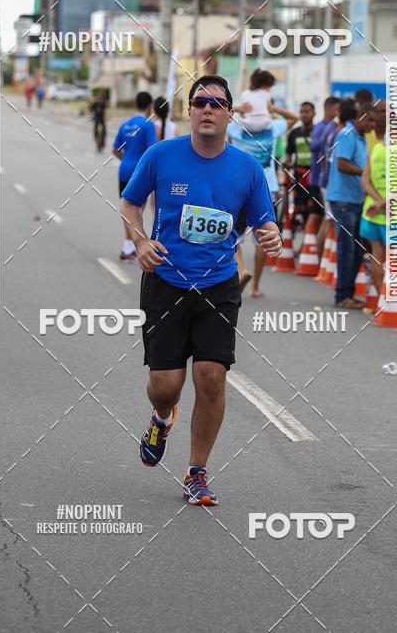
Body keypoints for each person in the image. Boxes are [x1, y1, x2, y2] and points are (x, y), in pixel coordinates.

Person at [120, 75, 281, 506]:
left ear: (230, 114)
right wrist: (140, 241)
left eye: (217, 103)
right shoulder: (160, 155)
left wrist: (272, 236)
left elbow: (264, 220)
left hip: (218, 285)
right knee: (166, 386)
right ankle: (161, 416)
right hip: (166, 282)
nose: (207, 109)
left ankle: (197, 471)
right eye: (199, 102)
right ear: (190, 112)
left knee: (211, 377)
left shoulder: (247, 168)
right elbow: (130, 201)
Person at [228, 109, 296, 297]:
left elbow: (225, 115)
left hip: (238, 187)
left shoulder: (236, 128)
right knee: (263, 239)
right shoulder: (273, 127)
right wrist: (271, 109)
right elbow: (293, 118)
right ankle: (256, 287)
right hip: (268, 188)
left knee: (231, 234)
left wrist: (241, 108)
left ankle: (242, 270)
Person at [326, 102, 375, 308]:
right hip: (343, 200)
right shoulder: (347, 135)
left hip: (355, 200)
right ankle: (342, 296)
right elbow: (342, 164)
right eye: (370, 120)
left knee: (356, 249)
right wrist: (366, 174)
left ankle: (348, 293)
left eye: (376, 122)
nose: (372, 125)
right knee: (347, 249)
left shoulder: (361, 138)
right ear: (359, 116)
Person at [113, 92, 157, 260]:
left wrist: (125, 160)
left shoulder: (125, 124)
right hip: (139, 173)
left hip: (124, 170)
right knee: (136, 212)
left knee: (127, 211)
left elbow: (115, 149)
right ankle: (129, 247)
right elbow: (152, 150)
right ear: (150, 105)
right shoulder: (147, 125)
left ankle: (128, 246)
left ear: (135, 104)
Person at [360, 101, 387, 300]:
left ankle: (381, 300)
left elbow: (364, 181)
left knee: (377, 256)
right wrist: (384, 202)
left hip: (371, 212)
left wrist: (377, 201)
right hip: (394, 213)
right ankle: (396, 303)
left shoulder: (375, 150)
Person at [309, 96, 340, 257]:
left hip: (322, 178)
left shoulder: (332, 127)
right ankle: (317, 255)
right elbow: (314, 146)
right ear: (329, 109)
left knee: (323, 217)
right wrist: (324, 142)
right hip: (317, 177)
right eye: (336, 109)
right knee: (321, 217)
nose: (338, 112)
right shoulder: (323, 127)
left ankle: (317, 254)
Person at [285, 101, 315, 234]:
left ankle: (311, 238)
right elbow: (288, 154)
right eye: (301, 112)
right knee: (301, 208)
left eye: (307, 111)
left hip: (315, 177)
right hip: (299, 176)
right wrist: (287, 164)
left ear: (314, 113)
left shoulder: (319, 131)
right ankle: (306, 239)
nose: (304, 115)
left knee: (314, 209)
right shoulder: (294, 133)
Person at [236, 68, 297, 133]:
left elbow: (241, 112)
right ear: (264, 86)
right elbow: (269, 108)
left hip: (247, 124)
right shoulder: (266, 94)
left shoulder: (245, 93)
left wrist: (242, 114)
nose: (269, 90)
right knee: (270, 119)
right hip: (264, 124)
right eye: (269, 87)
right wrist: (272, 110)